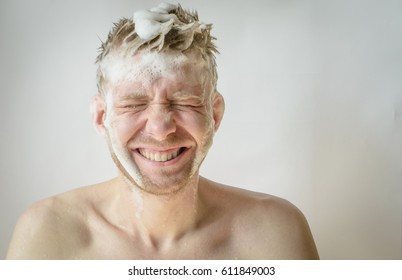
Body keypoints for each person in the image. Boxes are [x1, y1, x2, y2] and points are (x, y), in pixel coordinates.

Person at [6, 3, 319, 260]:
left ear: (215, 114)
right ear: (102, 117)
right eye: (133, 104)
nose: (160, 129)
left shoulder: (275, 234)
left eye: (184, 101)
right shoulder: (48, 234)